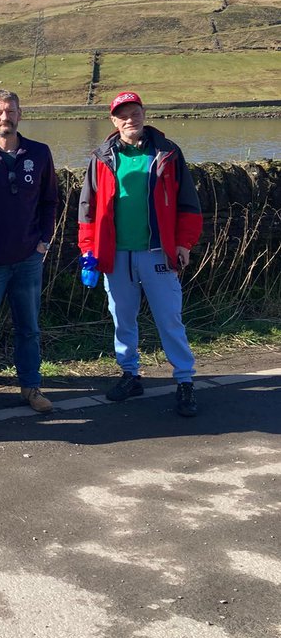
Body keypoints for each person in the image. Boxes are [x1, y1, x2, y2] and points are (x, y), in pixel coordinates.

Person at [78, 91, 203, 417]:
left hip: (157, 253)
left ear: (144, 114)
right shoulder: (101, 157)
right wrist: (88, 251)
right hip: (115, 255)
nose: (129, 118)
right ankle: (130, 374)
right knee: (122, 319)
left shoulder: (168, 153)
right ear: (114, 120)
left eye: (135, 112)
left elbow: (188, 203)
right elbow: (87, 210)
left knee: (169, 318)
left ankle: (185, 380)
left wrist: (184, 243)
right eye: (123, 114)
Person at [0, 89, 59, 414]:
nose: (5, 117)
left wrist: (43, 239)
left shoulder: (40, 153)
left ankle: (31, 388)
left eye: (11, 111)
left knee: (29, 328)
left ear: (20, 114)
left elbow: (50, 202)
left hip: (28, 259)